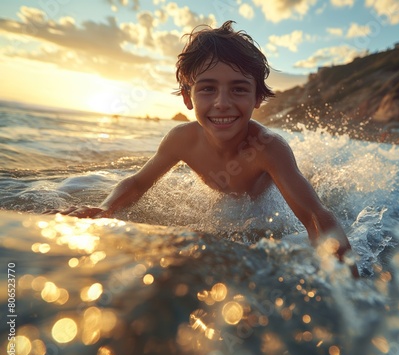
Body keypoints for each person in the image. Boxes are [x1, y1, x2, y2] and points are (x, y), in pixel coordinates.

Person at [44, 21, 358, 276]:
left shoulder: (268, 148)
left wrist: (347, 285)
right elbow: (137, 182)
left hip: (261, 204)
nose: (222, 103)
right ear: (187, 98)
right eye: (207, 88)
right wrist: (107, 208)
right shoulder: (181, 140)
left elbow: (315, 216)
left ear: (257, 99)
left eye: (238, 89)